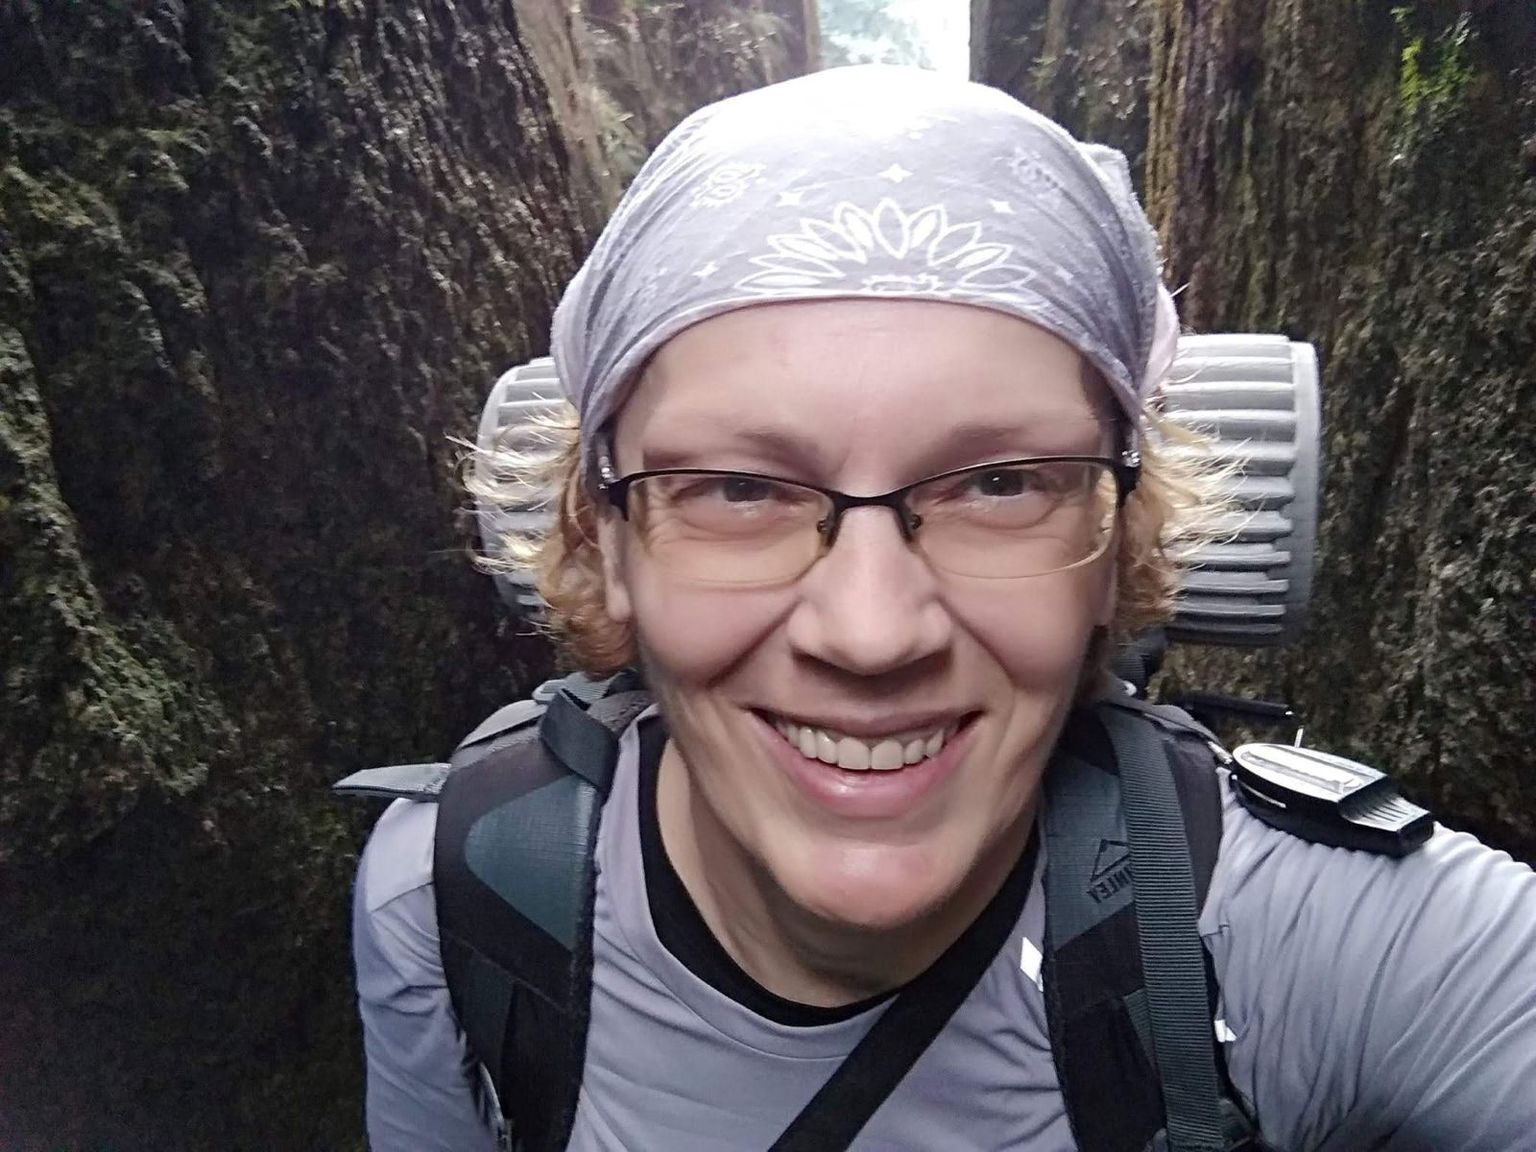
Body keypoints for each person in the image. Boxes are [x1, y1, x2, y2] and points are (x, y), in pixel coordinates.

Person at [351, 66, 1536, 1151]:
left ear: (1117, 544)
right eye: (740, 489)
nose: (872, 633)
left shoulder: (1313, 941)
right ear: (605, 539)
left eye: (1001, 484)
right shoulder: (456, 899)